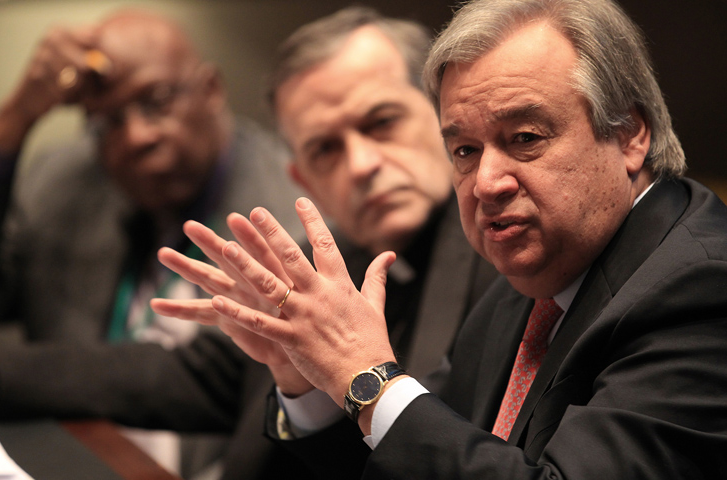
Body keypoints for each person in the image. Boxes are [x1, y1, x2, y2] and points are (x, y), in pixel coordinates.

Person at [160, 0, 727, 478]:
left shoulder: (699, 289)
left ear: (629, 134)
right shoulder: (530, 281)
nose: (485, 183)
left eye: (525, 137)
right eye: (465, 151)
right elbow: (416, 455)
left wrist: (370, 380)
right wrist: (308, 378)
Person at [150, 7, 497, 479]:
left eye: (381, 122)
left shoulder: (511, 251)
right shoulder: (320, 268)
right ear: (303, 179)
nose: (361, 164)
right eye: (325, 149)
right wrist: (302, 388)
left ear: (443, 116)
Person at [0, 9, 304, 476]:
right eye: (109, 121)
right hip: (64, 453)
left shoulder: (291, 215)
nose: (136, 135)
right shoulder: (64, 181)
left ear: (211, 90)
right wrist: (13, 119)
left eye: (157, 101)